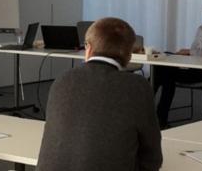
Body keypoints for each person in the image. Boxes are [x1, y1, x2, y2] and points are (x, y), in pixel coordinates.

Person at [38, 17, 162, 171]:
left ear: (88, 48)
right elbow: (152, 156)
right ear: (129, 55)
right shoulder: (137, 87)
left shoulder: (62, 80)